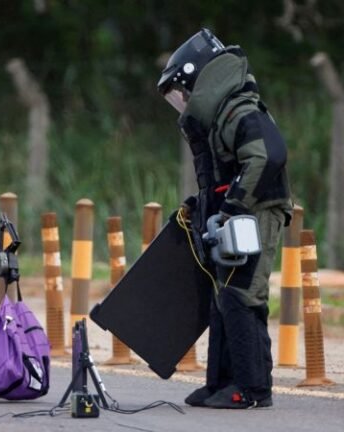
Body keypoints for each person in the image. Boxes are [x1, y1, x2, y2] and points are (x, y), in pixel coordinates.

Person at [157, 28, 293, 409]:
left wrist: (232, 205)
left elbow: (267, 157)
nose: (181, 102)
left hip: (258, 212)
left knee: (241, 295)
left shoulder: (240, 110)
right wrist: (199, 206)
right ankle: (220, 383)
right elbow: (226, 174)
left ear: (199, 79)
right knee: (224, 297)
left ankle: (251, 390)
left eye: (181, 91)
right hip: (240, 215)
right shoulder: (222, 114)